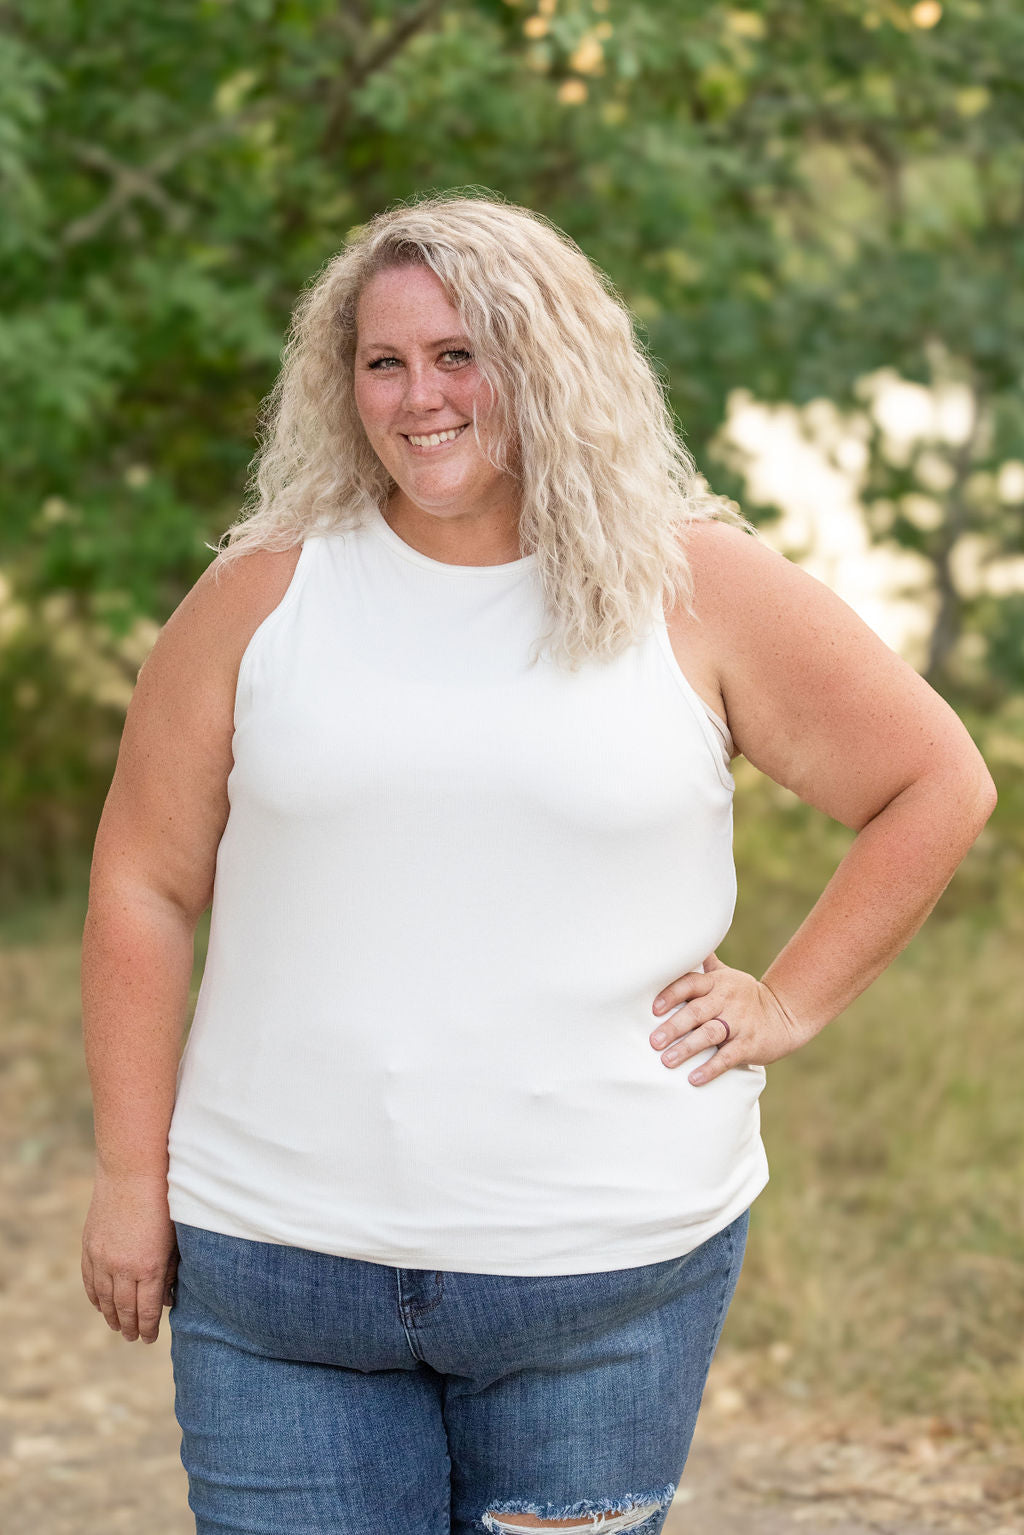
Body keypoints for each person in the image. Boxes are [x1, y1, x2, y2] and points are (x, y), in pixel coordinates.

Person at [79, 192, 997, 1535]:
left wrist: (790, 1000)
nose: (420, 397)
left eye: (462, 354)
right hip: (278, 1277)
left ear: (549, 363)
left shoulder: (694, 589)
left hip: (600, 1277)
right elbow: (143, 885)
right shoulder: (261, 598)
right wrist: (124, 1179)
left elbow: (936, 782)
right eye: (383, 363)